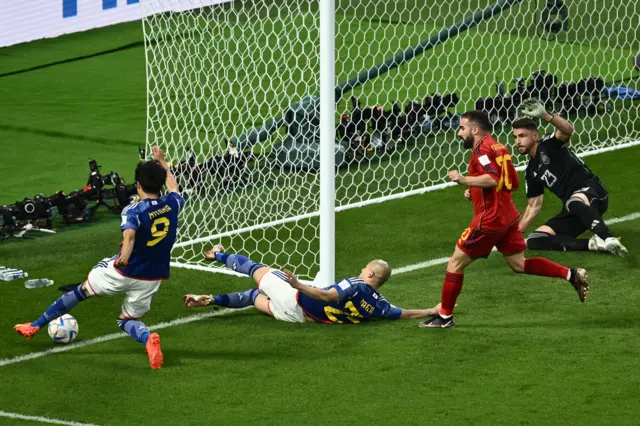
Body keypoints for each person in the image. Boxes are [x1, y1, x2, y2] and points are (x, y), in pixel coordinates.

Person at [14, 147, 183, 369]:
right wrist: (162, 161)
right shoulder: (173, 203)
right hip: (153, 277)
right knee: (126, 320)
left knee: (83, 290)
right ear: (159, 184)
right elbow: (174, 186)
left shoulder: (133, 210)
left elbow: (130, 236)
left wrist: (123, 257)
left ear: (138, 185)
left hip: (123, 271)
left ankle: (34, 326)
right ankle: (147, 340)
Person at [421, 111, 589, 329]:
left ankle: (444, 318)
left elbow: (492, 178)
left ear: (475, 130)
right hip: (507, 216)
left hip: (489, 220)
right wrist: (475, 190)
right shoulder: (497, 146)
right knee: (519, 264)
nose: (458, 133)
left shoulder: (481, 149)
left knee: (455, 263)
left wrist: (464, 180)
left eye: (462, 128)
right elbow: (509, 181)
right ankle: (571, 274)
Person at [182, 245, 441, 324]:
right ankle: (211, 300)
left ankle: (216, 254)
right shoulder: (380, 305)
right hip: (297, 318)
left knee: (257, 270)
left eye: (366, 268)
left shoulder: (355, 284)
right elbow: (403, 313)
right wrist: (431, 310)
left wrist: (297, 284)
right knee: (253, 296)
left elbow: (328, 296)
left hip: (296, 298)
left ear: (371, 275)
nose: (362, 269)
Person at [514, 98, 627, 256]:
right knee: (535, 239)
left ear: (534, 136)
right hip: (573, 207)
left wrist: (547, 116)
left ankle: (608, 238)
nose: (517, 142)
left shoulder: (548, 144)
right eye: (515, 137)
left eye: (522, 136)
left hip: (593, 191)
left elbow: (568, 130)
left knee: (574, 202)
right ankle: (594, 244)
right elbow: (533, 207)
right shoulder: (531, 171)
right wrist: (516, 235)